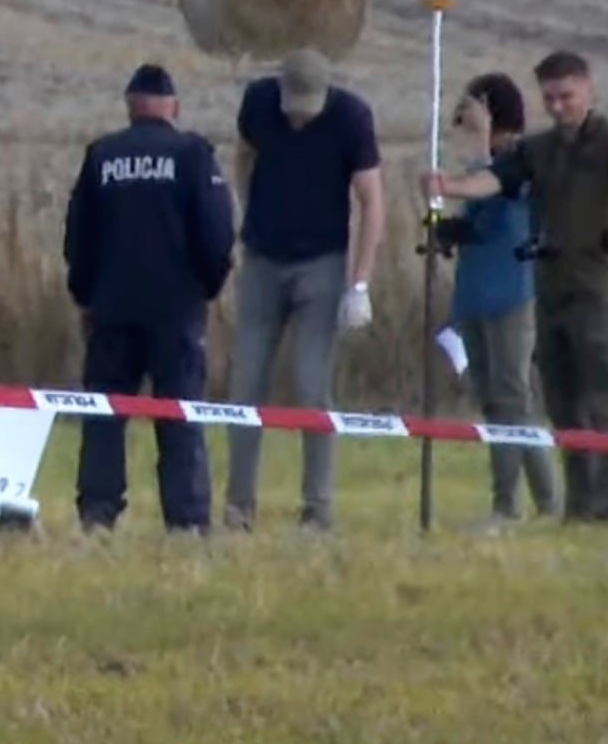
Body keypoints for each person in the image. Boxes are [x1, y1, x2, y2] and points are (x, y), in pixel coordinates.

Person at [422, 50, 608, 523]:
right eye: (549, 98)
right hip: (548, 289)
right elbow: (495, 180)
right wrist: (449, 186)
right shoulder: (539, 150)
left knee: (600, 397)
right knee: (561, 401)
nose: (559, 106)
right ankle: (578, 503)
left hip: (594, 290)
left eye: (566, 96)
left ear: (588, 89)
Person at [62, 63, 235, 533]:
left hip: (111, 309)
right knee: (179, 417)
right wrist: (207, 287)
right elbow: (217, 234)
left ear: (130, 107)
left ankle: (97, 514)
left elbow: (78, 236)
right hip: (175, 311)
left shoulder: (102, 155)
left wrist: (85, 293)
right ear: (173, 107)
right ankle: (187, 521)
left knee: (103, 416)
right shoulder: (193, 154)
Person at [223, 47, 385, 532]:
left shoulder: (351, 118)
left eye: (307, 107)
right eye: (292, 105)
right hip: (263, 262)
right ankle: (238, 508)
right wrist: (251, 214)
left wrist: (359, 283)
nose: (297, 116)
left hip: (322, 266)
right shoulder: (257, 102)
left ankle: (317, 509)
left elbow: (371, 201)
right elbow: (243, 158)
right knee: (244, 386)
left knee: (313, 388)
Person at [436, 72, 558, 524]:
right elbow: (481, 220)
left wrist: (483, 141)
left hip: (511, 294)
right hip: (476, 293)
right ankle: (546, 503)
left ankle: (508, 506)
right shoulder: (482, 162)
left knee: (512, 400)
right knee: (498, 402)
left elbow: (502, 197)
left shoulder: (521, 161)